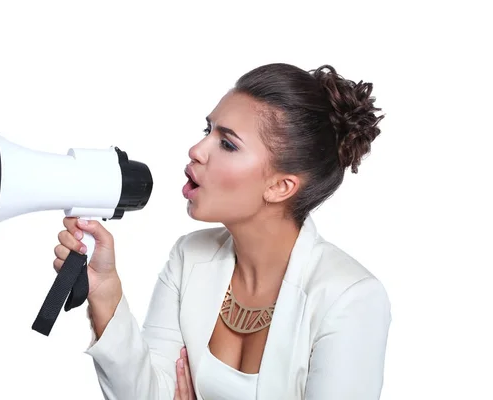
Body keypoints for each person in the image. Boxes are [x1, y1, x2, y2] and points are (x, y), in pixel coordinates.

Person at [52, 63, 391, 400]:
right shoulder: (190, 257)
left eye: (227, 144)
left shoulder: (349, 298)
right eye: (207, 130)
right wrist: (105, 291)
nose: (197, 151)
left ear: (280, 186)